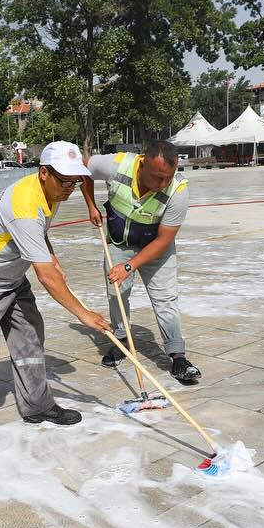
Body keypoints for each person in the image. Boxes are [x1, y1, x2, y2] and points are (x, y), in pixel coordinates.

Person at [0, 141, 111, 425]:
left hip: (12, 278)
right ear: (44, 173)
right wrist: (84, 314)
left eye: (75, 181)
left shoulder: (49, 192)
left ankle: (37, 405)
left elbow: (40, 230)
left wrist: (50, 254)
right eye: (65, 180)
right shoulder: (24, 205)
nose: (69, 188)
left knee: (30, 339)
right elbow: (46, 276)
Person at [82, 140, 201, 385]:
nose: (162, 184)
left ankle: (177, 356)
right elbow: (84, 168)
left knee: (165, 299)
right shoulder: (117, 165)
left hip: (156, 247)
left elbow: (165, 238)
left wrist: (129, 266)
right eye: (157, 177)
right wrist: (91, 205)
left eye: (168, 177)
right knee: (117, 292)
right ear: (142, 163)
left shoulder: (178, 191)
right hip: (119, 242)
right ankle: (122, 340)